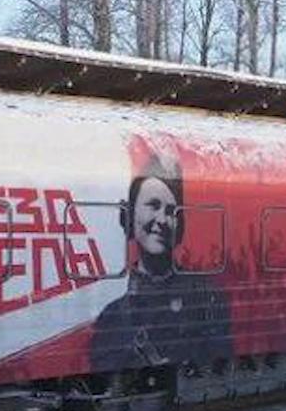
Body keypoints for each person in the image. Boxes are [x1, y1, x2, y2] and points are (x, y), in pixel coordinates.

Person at [89, 152, 233, 372]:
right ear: (129, 216)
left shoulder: (207, 297)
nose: (162, 220)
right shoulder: (112, 318)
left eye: (171, 211)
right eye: (153, 206)